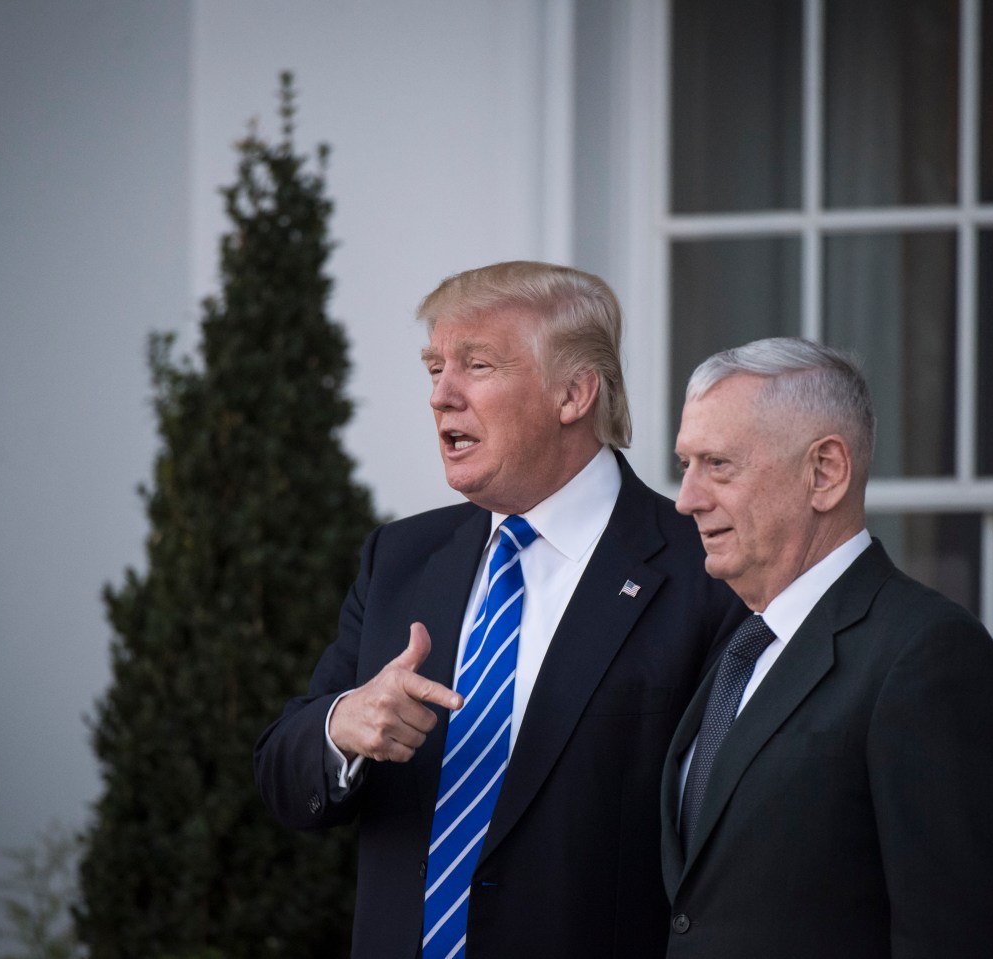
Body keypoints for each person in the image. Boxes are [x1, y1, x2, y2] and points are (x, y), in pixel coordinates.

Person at [254, 261, 740, 959]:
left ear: (573, 393)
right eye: (433, 369)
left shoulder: (703, 573)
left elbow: (731, 850)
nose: (441, 396)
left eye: (476, 365)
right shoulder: (398, 557)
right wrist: (344, 725)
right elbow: (281, 770)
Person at [661, 337, 993, 958]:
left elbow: (958, 937)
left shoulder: (928, 655)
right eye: (686, 465)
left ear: (825, 472)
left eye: (718, 464)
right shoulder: (740, 644)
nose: (686, 498)